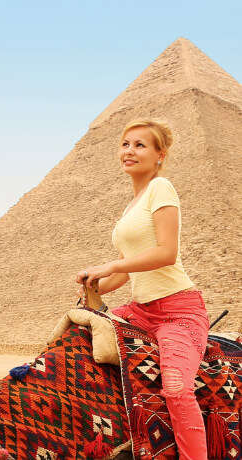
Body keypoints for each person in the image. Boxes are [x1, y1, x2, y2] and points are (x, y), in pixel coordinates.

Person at [75, 119, 208, 460]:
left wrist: (112, 265)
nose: (129, 151)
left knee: (177, 389)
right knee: (76, 337)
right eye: (125, 144)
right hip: (140, 310)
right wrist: (95, 283)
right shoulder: (129, 209)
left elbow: (166, 253)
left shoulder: (161, 187)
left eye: (140, 145)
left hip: (179, 311)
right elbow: (126, 272)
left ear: (160, 155)